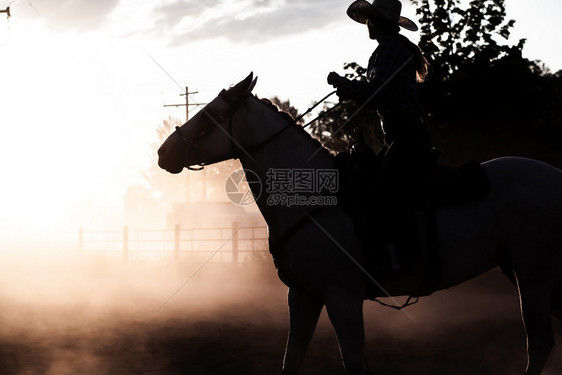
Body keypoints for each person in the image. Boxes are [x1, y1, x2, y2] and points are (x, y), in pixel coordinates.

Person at [328, 0, 430, 271]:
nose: (367, 25)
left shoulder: (389, 50)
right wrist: (349, 89)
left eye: (370, 20)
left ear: (377, 22)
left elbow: (375, 93)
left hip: (406, 135)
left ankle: (409, 258)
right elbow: (375, 97)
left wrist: (344, 84)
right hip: (402, 134)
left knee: (386, 191)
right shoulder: (391, 49)